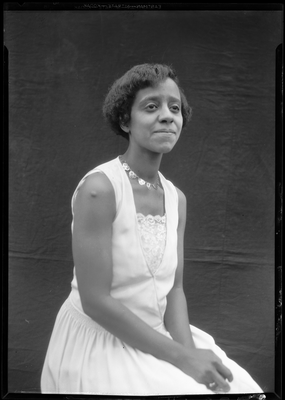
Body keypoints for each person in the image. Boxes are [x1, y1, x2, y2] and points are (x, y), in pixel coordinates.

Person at [41, 63, 263, 395]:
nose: (167, 116)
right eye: (151, 106)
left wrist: (190, 356)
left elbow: (174, 290)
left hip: (159, 335)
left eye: (175, 108)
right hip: (101, 340)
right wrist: (181, 358)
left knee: (237, 389)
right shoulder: (100, 189)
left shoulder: (177, 199)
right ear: (124, 120)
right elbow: (95, 301)